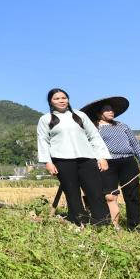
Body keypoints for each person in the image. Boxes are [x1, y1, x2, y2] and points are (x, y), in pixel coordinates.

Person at [37, 88, 111, 226]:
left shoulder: (80, 115)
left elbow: (94, 136)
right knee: (72, 193)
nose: (61, 100)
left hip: (86, 158)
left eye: (64, 98)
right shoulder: (46, 119)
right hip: (62, 160)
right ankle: (79, 223)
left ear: (68, 99)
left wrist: (101, 157)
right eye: (57, 98)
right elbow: (43, 141)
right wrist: (47, 162)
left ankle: (104, 223)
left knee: (95, 191)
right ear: (51, 102)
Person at [81, 96, 140, 231]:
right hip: (107, 163)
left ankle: (135, 227)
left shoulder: (123, 126)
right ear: (98, 113)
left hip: (128, 162)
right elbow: (91, 146)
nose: (111, 112)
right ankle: (114, 226)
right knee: (110, 196)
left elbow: (135, 144)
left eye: (111, 109)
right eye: (107, 110)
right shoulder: (94, 127)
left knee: (133, 195)